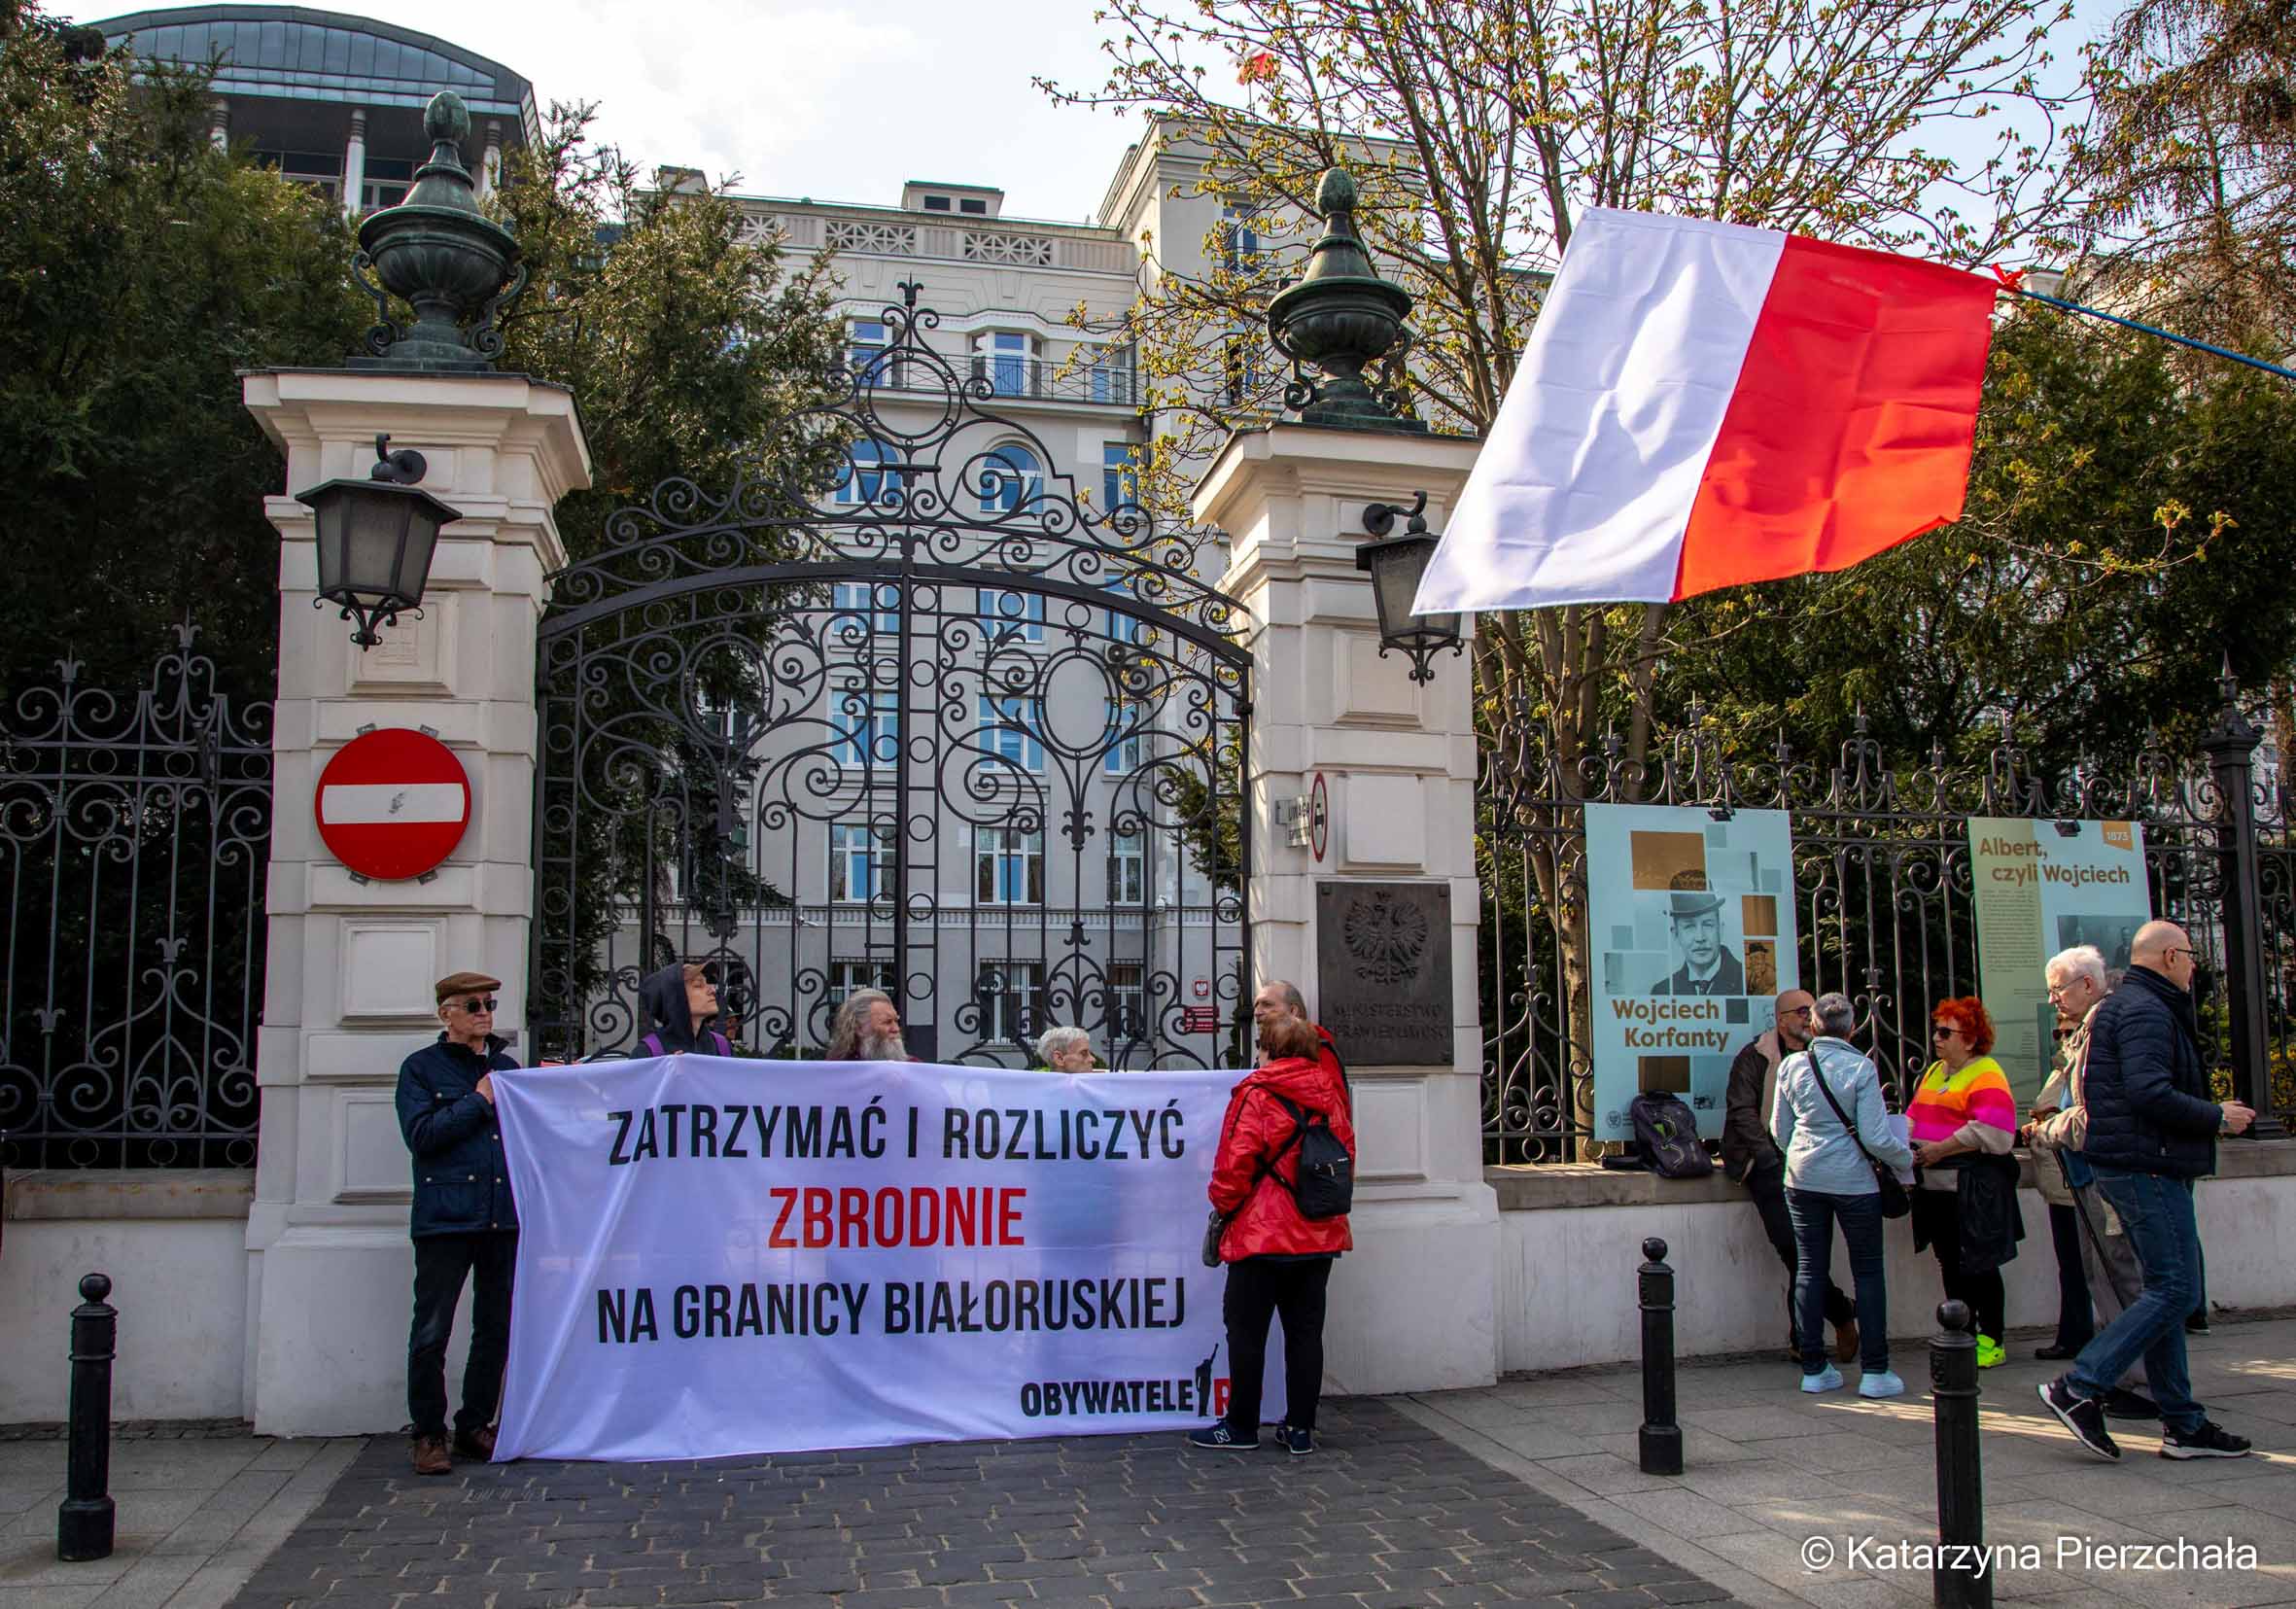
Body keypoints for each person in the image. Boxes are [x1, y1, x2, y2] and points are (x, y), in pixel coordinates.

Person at [2039, 921, 2255, 1462]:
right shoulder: (2143, 1010)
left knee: (2165, 1289)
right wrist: (2215, 1116)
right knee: (2175, 1289)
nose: (2193, 964)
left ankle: (2182, 1423)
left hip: (2138, 1164)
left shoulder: (2133, 1005)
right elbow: (2148, 1091)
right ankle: (2081, 1385)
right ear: (2167, 956)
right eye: (2188, 953)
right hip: (2147, 1166)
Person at [1189, 1012, 1356, 1454]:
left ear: (1268, 1050)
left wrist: (1223, 1208)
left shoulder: (1256, 1094)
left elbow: (1233, 1165)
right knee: (1305, 1333)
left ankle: (1242, 1425)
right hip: (1317, 1233)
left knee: (1246, 1332)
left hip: (1260, 1235)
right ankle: (1300, 1428)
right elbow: (1346, 1157)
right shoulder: (1331, 1096)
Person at [395, 970, 520, 1476]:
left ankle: (475, 1424)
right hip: (445, 1218)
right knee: (432, 1330)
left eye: (488, 1003)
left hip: (500, 1217)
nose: (484, 1012)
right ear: (445, 1012)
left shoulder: (506, 1067)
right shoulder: (421, 1069)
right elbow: (422, 1135)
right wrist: (480, 1098)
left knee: (495, 1326)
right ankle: (428, 1432)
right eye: (472, 1005)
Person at [2026, 945, 2157, 1420]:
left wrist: (2049, 1128)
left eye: (2057, 989)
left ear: (2087, 984)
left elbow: (2092, 1116)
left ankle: (2138, 1377)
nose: (2053, 999)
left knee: (2124, 1275)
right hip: (2087, 1174)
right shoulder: (2086, 1030)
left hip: (2108, 1174)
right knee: (2102, 1272)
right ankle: (2127, 1373)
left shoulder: (2103, 1028)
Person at [1769, 992, 1914, 1397]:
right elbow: (1875, 1136)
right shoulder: (1861, 1067)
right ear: (1852, 1028)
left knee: (1810, 1269)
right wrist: (1906, 1158)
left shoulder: (1792, 1067)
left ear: (1813, 1026)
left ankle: (1814, 1369)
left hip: (1802, 1177)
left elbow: (1780, 1132)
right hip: (1854, 1183)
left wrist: (1804, 1154)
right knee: (1867, 1271)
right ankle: (1875, 1371)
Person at [1724, 990, 1858, 1365]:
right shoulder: (1755, 1057)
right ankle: (1840, 1310)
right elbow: (1742, 1113)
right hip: (1766, 1165)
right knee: (1793, 1247)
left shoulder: (1824, 1056)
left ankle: (1803, 1339)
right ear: (1781, 1019)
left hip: (1816, 1162)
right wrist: (1770, 1159)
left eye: (1811, 1011)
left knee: (1805, 1252)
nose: (1808, 1017)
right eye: (1801, 1011)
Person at [1907, 997, 2024, 1369]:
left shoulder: (1986, 1072)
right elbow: (1913, 1116)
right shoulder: (1935, 1072)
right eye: (1936, 1030)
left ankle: (1991, 1338)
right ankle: (1961, 1331)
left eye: (1945, 1032)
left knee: (1980, 1263)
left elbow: (1992, 1130)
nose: (1936, 1038)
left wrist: (1940, 1149)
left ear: (1970, 1040)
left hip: (1972, 1188)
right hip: (1936, 1188)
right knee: (1949, 1262)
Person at [1249, 979, 1349, 1101]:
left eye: (1267, 1004)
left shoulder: (1317, 1048)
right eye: (1256, 1005)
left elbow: (1334, 1107)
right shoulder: (1266, 1050)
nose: (1257, 1012)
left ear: (1293, 1011)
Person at [1652, 877, 1745, 997]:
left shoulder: (1750, 982)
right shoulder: (1662, 992)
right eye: (1689, 926)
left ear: (1720, 930)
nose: (1700, 938)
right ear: (1676, 935)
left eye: (1707, 924)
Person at [637, 962, 731, 1056]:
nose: (713, 990)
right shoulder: (648, 1051)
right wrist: (666, 1068)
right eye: (698, 985)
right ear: (675, 998)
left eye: (707, 983)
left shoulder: (722, 1046)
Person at [825, 987, 909, 1061]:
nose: (896, 1029)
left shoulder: (913, 1068)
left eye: (896, 1021)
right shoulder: (836, 1069)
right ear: (859, 1028)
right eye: (887, 1022)